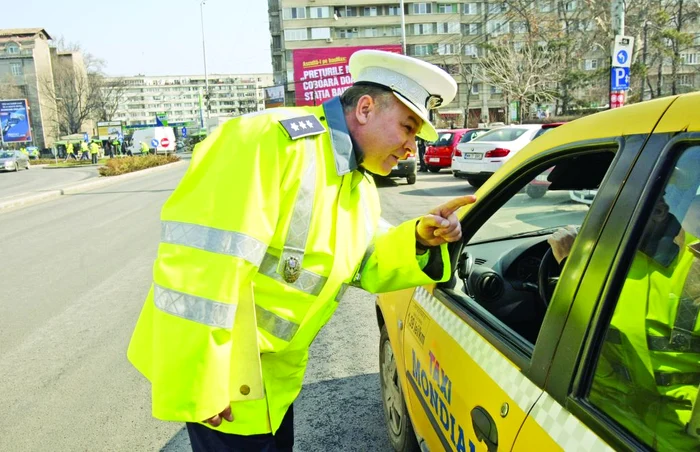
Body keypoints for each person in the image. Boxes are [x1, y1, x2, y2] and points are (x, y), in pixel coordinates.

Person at [127, 50, 474, 451]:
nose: (411, 147)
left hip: (275, 384)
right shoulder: (269, 141)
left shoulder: (358, 184)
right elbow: (199, 266)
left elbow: (363, 264)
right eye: (408, 127)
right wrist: (201, 379)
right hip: (226, 383)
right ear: (365, 109)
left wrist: (418, 238)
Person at [548, 167, 700, 450]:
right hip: (608, 422)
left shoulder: (693, 272)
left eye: (613, 209)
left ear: (658, 211)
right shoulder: (615, 254)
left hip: (660, 435)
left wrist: (573, 266)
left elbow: (572, 330)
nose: (599, 221)